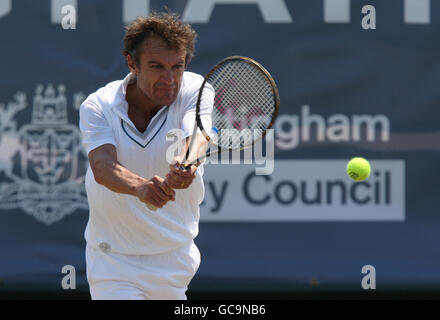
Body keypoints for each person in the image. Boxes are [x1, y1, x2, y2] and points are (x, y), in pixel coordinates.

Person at [79, 12, 213, 300]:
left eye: (177, 66)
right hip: (112, 261)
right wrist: (140, 187)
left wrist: (187, 163)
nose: (169, 79)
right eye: (157, 66)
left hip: (175, 259)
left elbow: (199, 135)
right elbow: (102, 166)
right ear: (132, 64)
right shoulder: (98, 105)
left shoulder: (196, 89)